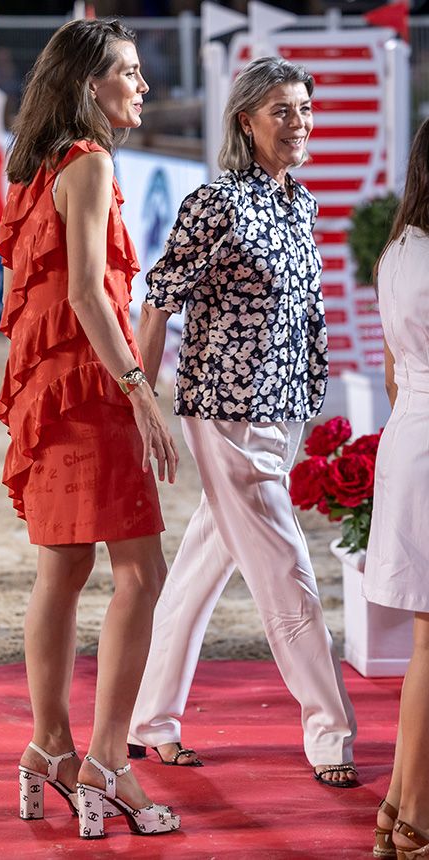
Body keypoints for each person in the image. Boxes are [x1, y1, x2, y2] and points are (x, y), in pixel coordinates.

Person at [127, 55, 358, 787]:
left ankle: (149, 719)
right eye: (283, 110)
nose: (299, 123)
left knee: (202, 568)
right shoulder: (217, 202)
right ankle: (330, 730)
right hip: (225, 413)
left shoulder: (302, 202)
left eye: (305, 109)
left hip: (286, 409)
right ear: (246, 120)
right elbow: (159, 297)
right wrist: (141, 398)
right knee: (288, 573)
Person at [0, 19, 180, 839]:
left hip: (52, 393)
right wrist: (140, 390)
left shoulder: (38, 165)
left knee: (61, 572)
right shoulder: (92, 162)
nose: (142, 86)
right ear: (87, 85)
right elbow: (85, 294)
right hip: (93, 390)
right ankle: (109, 762)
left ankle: (49, 749)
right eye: (129, 73)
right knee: (142, 572)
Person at [363, 118, 429, 859]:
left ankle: (399, 810)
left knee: (426, 646)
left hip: (410, 437)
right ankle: (412, 822)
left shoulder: (399, 250)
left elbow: (388, 373)